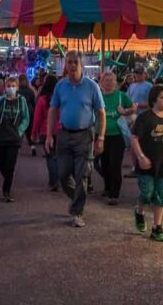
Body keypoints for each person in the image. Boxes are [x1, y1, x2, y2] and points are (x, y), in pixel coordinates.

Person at [45, 50, 106, 227]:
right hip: (64, 135)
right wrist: (49, 135)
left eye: (75, 63)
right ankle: (77, 199)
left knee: (82, 175)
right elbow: (52, 111)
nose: (71, 66)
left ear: (81, 66)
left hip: (85, 136)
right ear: (65, 65)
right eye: (69, 62)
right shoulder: (60, 86)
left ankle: (77, 212)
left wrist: (100, 138)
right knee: (63, 174)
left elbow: (100, 113)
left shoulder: (91, 86)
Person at [131, 84, 163, 242]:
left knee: (161, 195)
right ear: (153, 99)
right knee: (146, 193)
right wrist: (140, 157)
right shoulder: (145, 118)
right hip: (146, 164)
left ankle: (157, 227)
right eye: (162, 98)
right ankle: (139, 212)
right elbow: (134, 138)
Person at [0, 75, 30, 202]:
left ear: (17, 88)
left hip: (14, 138)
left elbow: (26, 118)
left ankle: (6, 190)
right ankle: (8, 176)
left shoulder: (21, 101)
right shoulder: (0, 101)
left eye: (13, 86)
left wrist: (19, 131)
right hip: (2, 136)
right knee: (0, 161)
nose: (11, 89)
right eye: (8, 86)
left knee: (11, 163)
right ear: (4, 87)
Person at [98, 71, 134, 205]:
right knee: (103, 164)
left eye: (111, 80)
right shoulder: (99, 95)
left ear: (116, 82)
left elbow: (133, 108)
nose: (109, 82)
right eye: (106, 80)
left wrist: (125, 111)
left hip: (117, 135)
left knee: (115, 165)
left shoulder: (121, 96)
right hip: (101, 135)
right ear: (101, 83)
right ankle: (107, 187)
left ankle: (114, 194)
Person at [32, 75, 60, 191]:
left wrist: (34, 133)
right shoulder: (60, 98)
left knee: (50, 157)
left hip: (45, 131)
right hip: (60, 130)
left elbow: (37, 118)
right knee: (58, 157)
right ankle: (58, 180)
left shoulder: (43, 99)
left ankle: (53, 182)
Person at [17, 74, 37, 156]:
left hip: (19, 112)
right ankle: (33, 147)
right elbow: (33, 102)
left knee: (19, 131)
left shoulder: (16, 91)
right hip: (29, 112)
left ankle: (17, 148)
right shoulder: (30, 91)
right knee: (29, 131)